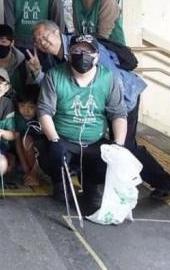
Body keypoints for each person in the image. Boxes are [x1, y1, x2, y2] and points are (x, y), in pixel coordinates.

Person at [29, 20, 170, 200]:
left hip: (123, 97)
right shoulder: (52, 57)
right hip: (96, 102)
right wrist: (37, 72)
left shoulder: (83, 47)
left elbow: (112, 79)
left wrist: (108, 113)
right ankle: (89, 182)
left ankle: (164, 183)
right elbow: (57, 86)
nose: (42, 42)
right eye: (38, 40)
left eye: (45, 37)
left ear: (56, 32)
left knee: (124, 146)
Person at [37, 35, 127, 209]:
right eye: (77, 50)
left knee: (113, 160)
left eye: (88, 51)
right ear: (69, 53)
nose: (82, 55)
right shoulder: (55, 75)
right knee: (49, 154)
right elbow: (44, 110)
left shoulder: (108, 78)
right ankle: (61, 181)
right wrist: (54, 140)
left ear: (97, 56)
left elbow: (118, 113)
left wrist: (118, 145)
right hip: (64, 138)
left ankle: (91, 184)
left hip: (95, 140)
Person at [12, 84, 44, 188]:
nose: (26, 111)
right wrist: (27, 170)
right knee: (25, 140)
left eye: (31, 107)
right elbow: (17, 143)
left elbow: (43, 149)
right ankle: (30, 174)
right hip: (24, 156)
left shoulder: (43, 118)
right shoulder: (18, 118)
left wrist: (34, 172)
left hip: (42, 158)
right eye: (22, 106)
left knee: (29, 141)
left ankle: (36, 175)